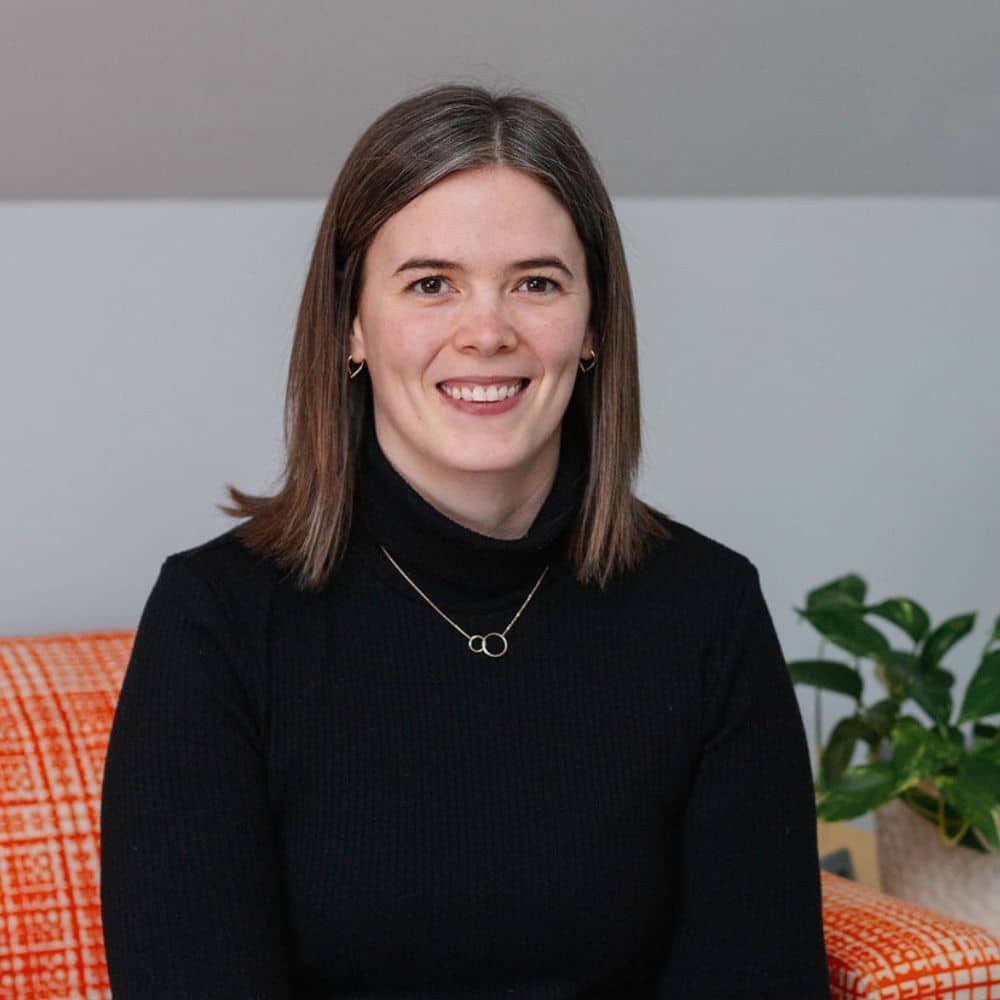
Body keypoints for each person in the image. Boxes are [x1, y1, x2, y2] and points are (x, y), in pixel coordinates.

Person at [99, 83, 831, 998]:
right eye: (431, 284)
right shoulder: (218, 619)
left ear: (594, 324)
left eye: (536, 282)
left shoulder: (707, 608)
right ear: (353, 326)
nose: (486, 332)